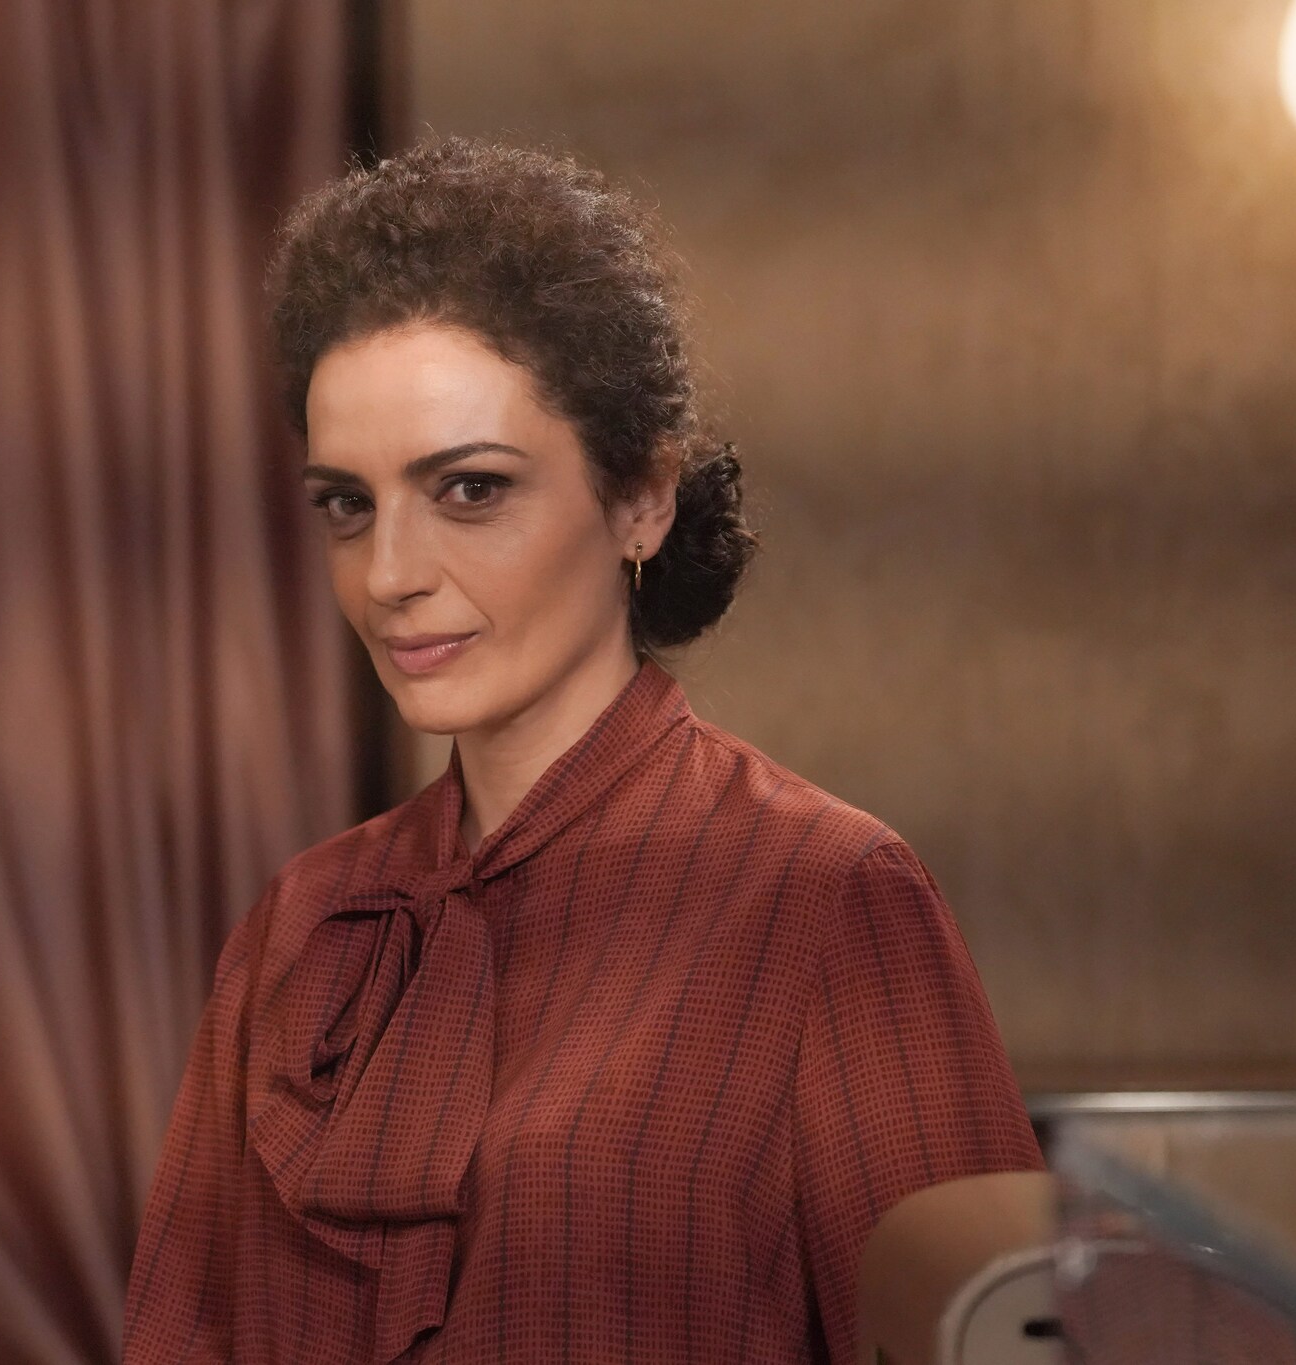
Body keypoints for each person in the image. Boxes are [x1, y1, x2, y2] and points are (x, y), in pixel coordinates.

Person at [121, 136, 1042, 1365]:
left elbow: (985, 1338)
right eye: (346, 504)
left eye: (469, 490)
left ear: (641, 500)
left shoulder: (823, 897)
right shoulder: (299, 924)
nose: (388, 575)